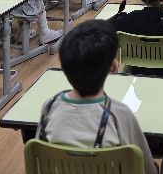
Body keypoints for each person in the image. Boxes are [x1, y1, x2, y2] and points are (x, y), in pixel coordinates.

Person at [36, 20, 156, 174]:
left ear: (64, 68)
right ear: (113, 67)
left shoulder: (49, 107)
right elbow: (145, 167)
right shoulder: (120, 115)